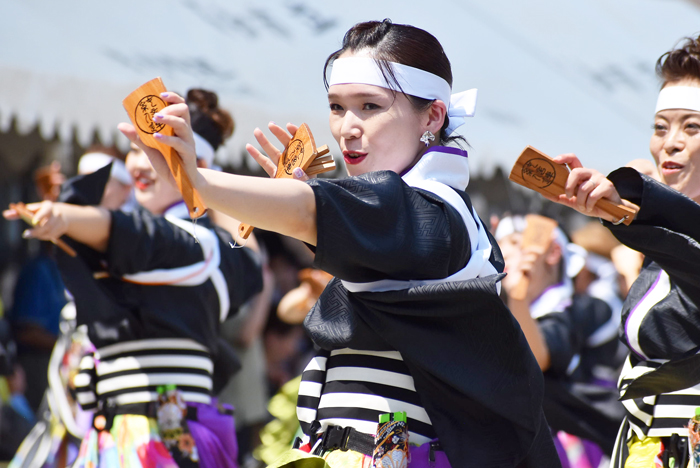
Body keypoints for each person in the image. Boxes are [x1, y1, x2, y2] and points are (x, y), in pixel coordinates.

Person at [119, 19, 560, 468]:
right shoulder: (405, 212)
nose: (347, 127)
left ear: (432, 116)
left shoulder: (433, 213)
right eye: (336, 107)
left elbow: (313, 211)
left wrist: (198, 180)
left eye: (370, 106)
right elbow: (327, 214)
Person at [3, 93, 264, 467]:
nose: (139, 165)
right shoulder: (199, 246)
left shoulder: (198, 244)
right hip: (105, 438)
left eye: (155, 153)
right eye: (135, 151)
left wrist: (64, 217)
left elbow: (136, 234)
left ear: (197, 165)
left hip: (159, 443)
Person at [541, 34, 700, 468]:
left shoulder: (664, 234)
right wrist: (619, 208)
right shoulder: (660, 238)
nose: (670, 142)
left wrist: (628, 203)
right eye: (660, 126)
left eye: (692, 126)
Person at [496, 215, 625, 468]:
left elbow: (539, 359)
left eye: (513, 241)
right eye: (499, 244)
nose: (503, 252)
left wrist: (517, 296)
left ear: (553, 252)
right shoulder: (509, 313)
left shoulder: (576, 309)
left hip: (581, 451)